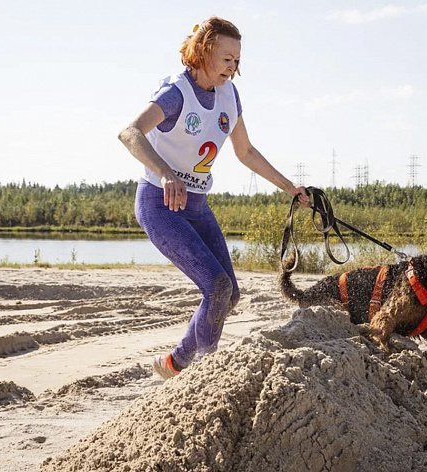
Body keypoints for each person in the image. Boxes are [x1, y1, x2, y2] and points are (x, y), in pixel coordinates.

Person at [118, 16, 309, 379]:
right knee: (217, 287)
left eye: (237, 60)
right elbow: (129, 133)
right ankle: (203, 371)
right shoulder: (176, 93)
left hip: (197, 206)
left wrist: (290, 187)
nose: (233, 67)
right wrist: (165, 173)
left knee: (230, 293)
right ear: (204, 53)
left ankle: (175, 363)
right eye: (226, 58)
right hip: (161, 204)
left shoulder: (229, 95)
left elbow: (246, 151)